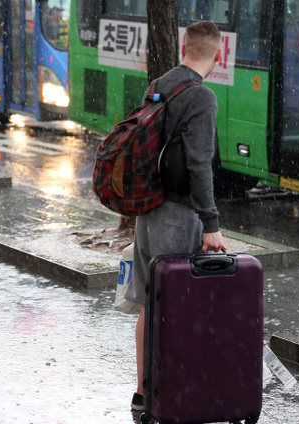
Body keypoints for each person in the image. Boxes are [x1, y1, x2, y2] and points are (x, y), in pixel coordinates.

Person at [123, 20, 227, 413]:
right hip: (178, 215)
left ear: (184, 44)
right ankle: (177, 394)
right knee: (180, 306)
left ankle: (144, 393)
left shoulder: (159, 84)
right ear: (218, 56)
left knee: (153, 303)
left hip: (147, 211)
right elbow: (200, 164)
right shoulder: (202, 97)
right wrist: (212, 225)